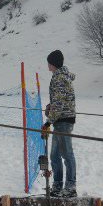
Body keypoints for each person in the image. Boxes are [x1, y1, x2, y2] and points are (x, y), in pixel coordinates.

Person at [42, 50, 77, 198]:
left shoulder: (59, 78)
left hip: (63, 120)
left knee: (66, 154)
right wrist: (51, 105)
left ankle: (70, 187)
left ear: (53, 64)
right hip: (60, 119)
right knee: (55, 155)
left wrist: (48, 122)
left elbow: (60, 104)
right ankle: (57, 185)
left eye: (49, 63)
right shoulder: (59, 77)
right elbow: (59, 99)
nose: (48, 66)